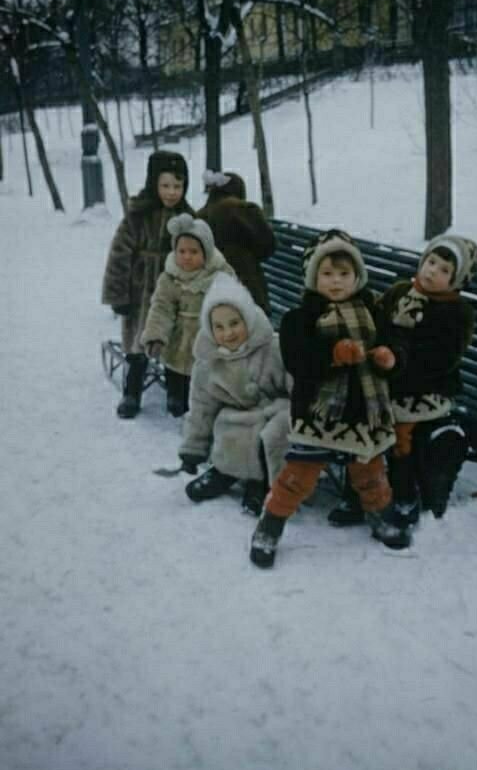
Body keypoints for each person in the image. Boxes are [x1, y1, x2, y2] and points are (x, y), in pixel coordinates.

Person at [249, 228, 411, 569]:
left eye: (344, 274)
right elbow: (297, 358)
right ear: (313, 277)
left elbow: (396, 344)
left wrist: (390, 358)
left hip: (364, 413)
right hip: (317, 414)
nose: (336, 282)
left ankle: (380, 514)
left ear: (357, 276)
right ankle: (271, 522)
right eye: (327, 274)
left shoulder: (374, 313)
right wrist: (333, 354)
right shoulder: (300, 319)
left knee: (370, 471)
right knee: (299, 474)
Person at [328, 234, 477, 537]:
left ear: (457, 280)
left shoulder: (456, 312)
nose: (432, 271)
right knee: (357, 414)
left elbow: (440, 359)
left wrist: (395, 363)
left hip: (427, 389)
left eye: (444, 270)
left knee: (398, 433)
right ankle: (359, 491)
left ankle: (403, 493)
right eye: (431, 262)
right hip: (389, 375)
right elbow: (378, 321)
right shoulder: (401, 292)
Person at [178, 273, 291, 515]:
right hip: (236, 418)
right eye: (219, 327)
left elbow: (296, 384)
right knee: (229, 424)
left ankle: (261, 483)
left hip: (275, 412)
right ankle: (224, 472)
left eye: (234, 323)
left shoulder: (272, 347)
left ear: (248, 320)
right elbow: (201, 409)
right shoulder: (208, 364)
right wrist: (192, 449)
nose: (228, 333)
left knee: (271, 430)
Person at [101, 150, 194, 419]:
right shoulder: (138, 215)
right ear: (154, 184)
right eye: (165, 185)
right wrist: (118, 294)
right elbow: (119, 255)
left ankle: (177, 393)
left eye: (178, 186)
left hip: (175, 290)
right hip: (141, 290)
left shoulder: (188, 218)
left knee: (175, 340)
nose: (171, 192)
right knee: (138, 341)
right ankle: (132, 392)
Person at [140, 215, 234, 417]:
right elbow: (161, 308)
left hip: (209, 337)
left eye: (194, 252)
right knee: (176, 370)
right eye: (181, 251)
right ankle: (176, 398)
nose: (186, 257)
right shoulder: (170, 277)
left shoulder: (220, 275)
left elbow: (234, 304)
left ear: (206, 252)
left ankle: (208, 407)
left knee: (207, 376)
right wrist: (156, 336)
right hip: (179, 338)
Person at [196, 169, 275, 314]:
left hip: (209, 291)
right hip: (248, 291)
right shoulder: (244, 210)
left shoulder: (199, 216)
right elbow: (268, 246)